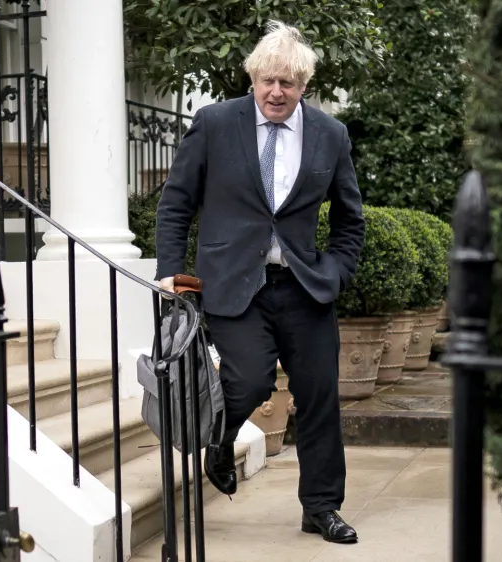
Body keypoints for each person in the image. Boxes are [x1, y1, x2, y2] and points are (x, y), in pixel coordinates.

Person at [155, 20, 365, 544]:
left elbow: (350, 219)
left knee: (318, 396)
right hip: (232, 282)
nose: (277, 92)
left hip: (304, 286)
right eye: (268, 80)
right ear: (253, 78)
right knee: (246, 380)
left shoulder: (330, 135)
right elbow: (176, 202)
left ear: (303, 87)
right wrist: (170, 268)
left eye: (288, 84)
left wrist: (337, 271)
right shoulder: (214, 123)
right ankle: (221, 439)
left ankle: (320, 507)